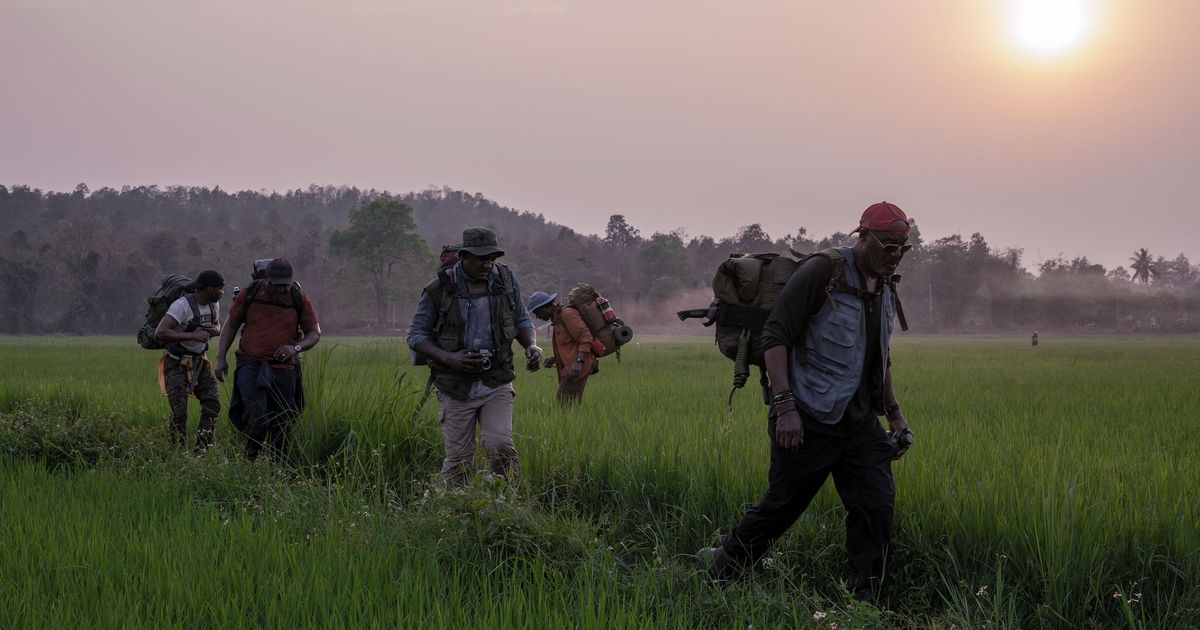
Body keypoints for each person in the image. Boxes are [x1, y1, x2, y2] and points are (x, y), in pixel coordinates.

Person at [698, 201, 916, 602]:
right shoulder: (824, 270)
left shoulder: (886, 284)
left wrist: (896, 416)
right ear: (862, 237)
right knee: (780, 508)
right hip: (808, 417)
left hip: (860, 424)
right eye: (888, 246)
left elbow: (880, 355)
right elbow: (776, 335)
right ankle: (720, 568)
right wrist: (785, 408)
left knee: (876, 509)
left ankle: (866, 600)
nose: (895, 255)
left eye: (903, 247)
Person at [408, 227, 542, 488]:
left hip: (497, 380)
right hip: (454, 386)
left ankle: (507, 503)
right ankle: (453, 511)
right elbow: (416, 336)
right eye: (481, 258)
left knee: (500, 444)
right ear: (463, 256)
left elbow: (522, 320)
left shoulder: (505, 280)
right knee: (459, 458)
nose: (487, 264)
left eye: (492, 258)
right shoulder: (438, 289)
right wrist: (449, 358)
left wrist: (532, 346)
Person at [214, 258, 321, 461]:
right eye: (275, 285)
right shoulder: (250, 294)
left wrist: (295, 348)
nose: (280, 290)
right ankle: (250, 460)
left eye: (284, 286)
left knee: (283, 420)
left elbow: (314, 333)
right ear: (266, 280)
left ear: (290, 282)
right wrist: (221, 358)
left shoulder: (298, 298)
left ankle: (278, 466)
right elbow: (231, 325)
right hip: (250, 363)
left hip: (284, 368)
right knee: (256, 414)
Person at [153, 269, 225, 452]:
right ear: (208, 289)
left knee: (213, 405)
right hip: (176, 363)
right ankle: (179, 454)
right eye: (219, 289)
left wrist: (215, 330)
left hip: (200, 362)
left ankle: (201, 451)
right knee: (179, 413)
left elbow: (217, 325)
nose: (222, 292)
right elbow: (160, 333)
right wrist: (191, 335)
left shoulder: (213, 304)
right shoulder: (181, 306)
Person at [528, 291, 597, 405]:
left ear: (546, 307)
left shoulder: (567, 314)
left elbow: (585, 337)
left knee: (565, 402)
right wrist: (555, 358)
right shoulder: (559, 319)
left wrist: (578, 362)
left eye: (537, 312)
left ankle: (571, 422)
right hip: (572, 366)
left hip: (577, 366)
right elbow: (571, 345)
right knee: (569, 403)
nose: (537, 316)